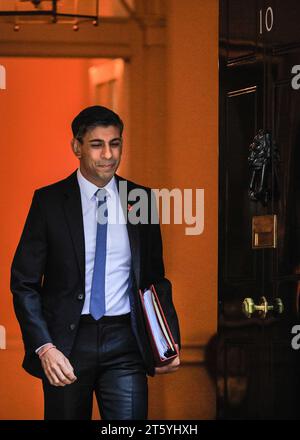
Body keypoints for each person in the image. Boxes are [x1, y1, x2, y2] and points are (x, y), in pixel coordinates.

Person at [10, 105, 181, 420]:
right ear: (76, 146)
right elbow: (24, 284)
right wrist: (45, 347)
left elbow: (154, 279)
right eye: (97, 144)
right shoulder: (48, 202)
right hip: (67, 345)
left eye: (115, 143)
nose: (108, 155)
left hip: (125, 341)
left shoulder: (139, 199)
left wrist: (167, 339)